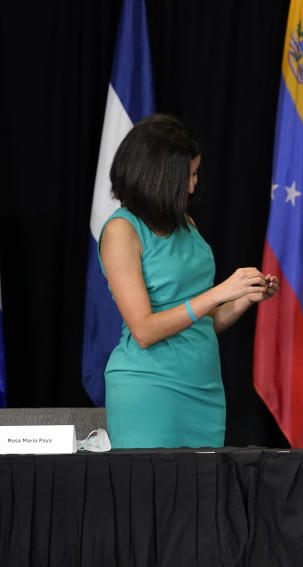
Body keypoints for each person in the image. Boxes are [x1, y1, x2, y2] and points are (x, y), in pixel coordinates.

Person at [98, 114, 278, 448]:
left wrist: (241, 299)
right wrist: (219, 292)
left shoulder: (186, 222)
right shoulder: (121, 231)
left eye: (195, 174)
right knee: (153, 496)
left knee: (203, 497)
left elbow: (198, 324)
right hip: (150, 390)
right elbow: (145, 330)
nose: (193, 186)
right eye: (188, 175)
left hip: (204, 390)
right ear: (157, 174)